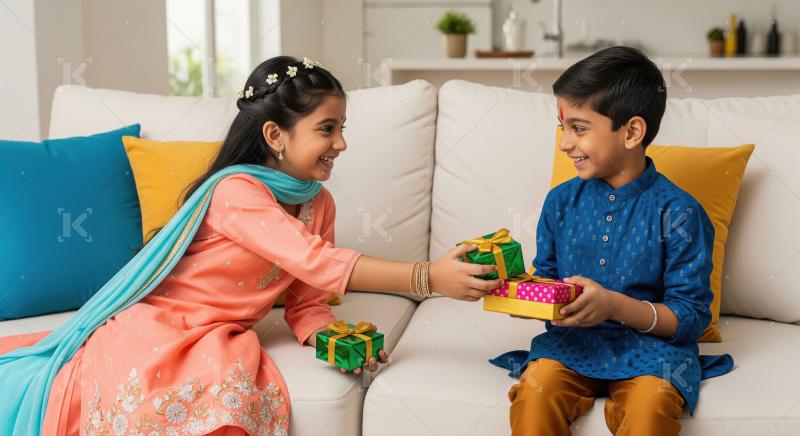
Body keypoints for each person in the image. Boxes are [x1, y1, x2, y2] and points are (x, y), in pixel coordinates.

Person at [0, 56, 501, 435]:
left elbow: (306, 300)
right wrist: (427, 278)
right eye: (327, 129)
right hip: (164, 324)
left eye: (342, 128)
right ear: (274, 135)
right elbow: (317, 262)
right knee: (199, 400)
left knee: (232, 390)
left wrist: (334, 343)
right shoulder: (236, 192)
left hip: (222, 331)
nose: (341, 144)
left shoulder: (317, 203)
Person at [490, 47, 734, 436]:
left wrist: (613, 305)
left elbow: (689, 316)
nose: (565, 143)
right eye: (562, 127)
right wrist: (511, 290)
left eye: (579, 128)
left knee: (650, 409)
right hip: (570, 348)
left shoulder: (680, 212)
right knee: (533, 398)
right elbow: (547, 279)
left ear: (632, 132)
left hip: (655, 354)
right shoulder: (561, 201)